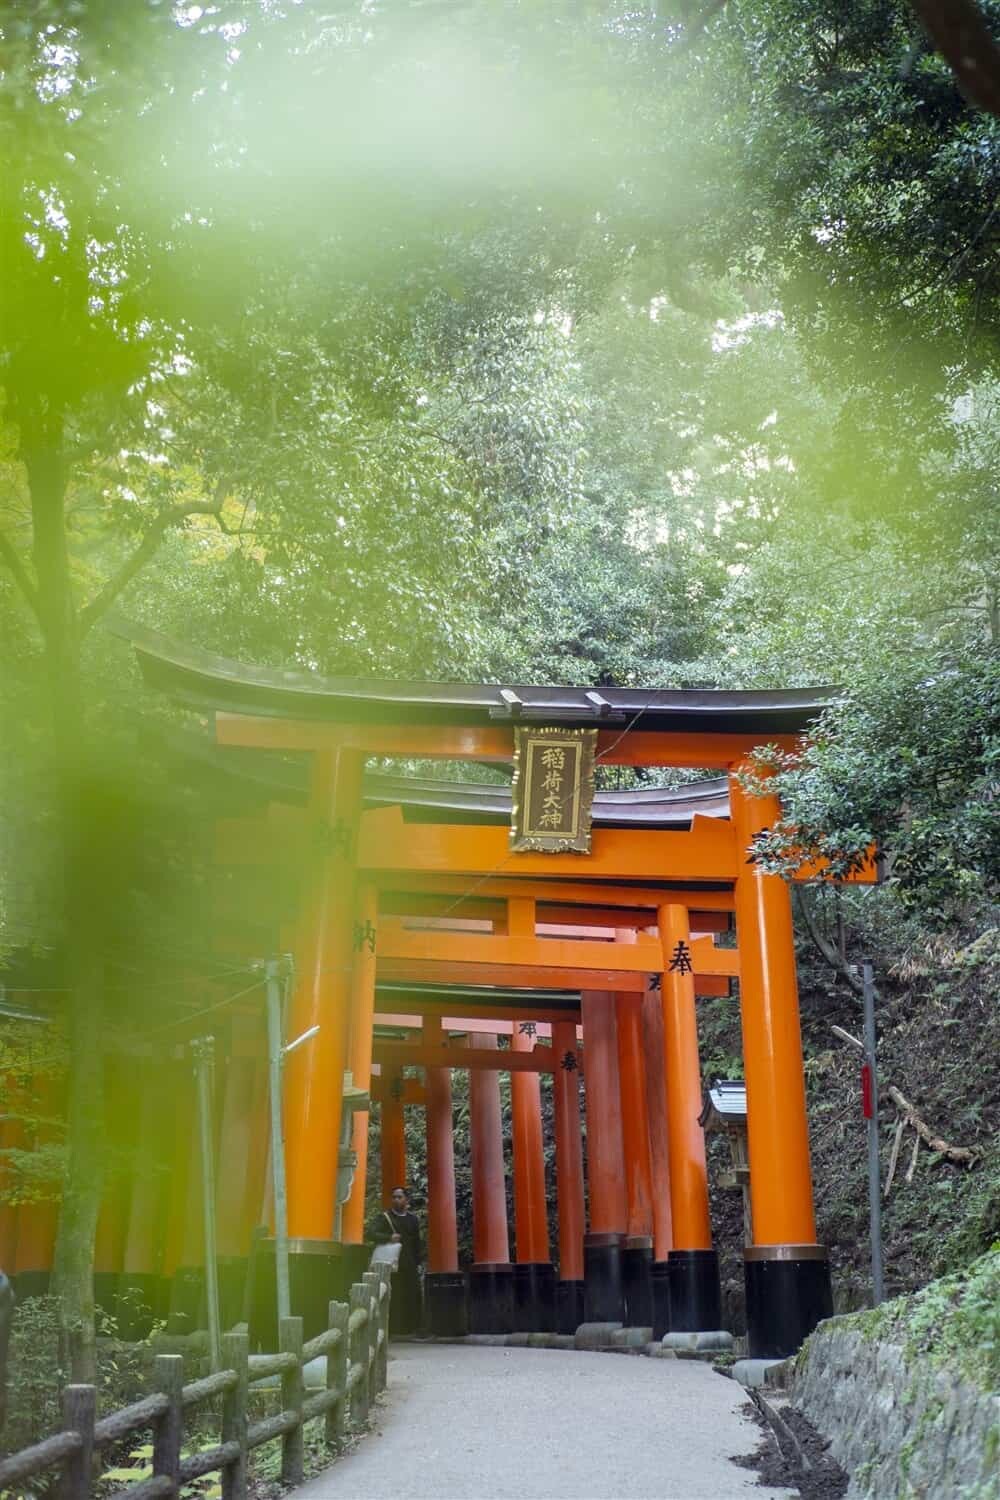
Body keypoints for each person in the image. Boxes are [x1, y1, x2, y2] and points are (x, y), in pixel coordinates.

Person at [368, 1187, 423, 1337]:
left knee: (412, 1295)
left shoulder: (413, 1219)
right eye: (394, 1197)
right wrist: (388, 1237)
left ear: (407, 1200)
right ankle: (392, 1330)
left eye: (399, 1197)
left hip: (409, 1263)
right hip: (391, 1264)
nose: (396, 1200)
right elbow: (370, 1233)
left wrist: (418, 1262)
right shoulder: (385, 1217)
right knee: (394, 1295)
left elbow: (417, 1242)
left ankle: (411, 1329)